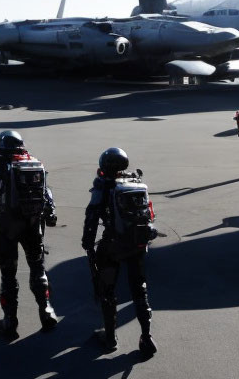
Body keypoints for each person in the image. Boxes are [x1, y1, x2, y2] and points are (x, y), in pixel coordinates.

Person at [0, 130, 58, 339]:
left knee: (9, 274)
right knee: (38, 268)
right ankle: (46, 311)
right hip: (33, 225)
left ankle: (10, 321)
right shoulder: (34, 163)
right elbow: (47, 193)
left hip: (7, 228)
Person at [82, 147, 157, 355]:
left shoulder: (104, 186)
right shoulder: (135, 181)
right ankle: (147, 336)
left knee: (108, 290)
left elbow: (92, 217)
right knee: (139, 290)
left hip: (113, 245)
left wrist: (87, 243)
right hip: (137, 244)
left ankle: (110, 336)